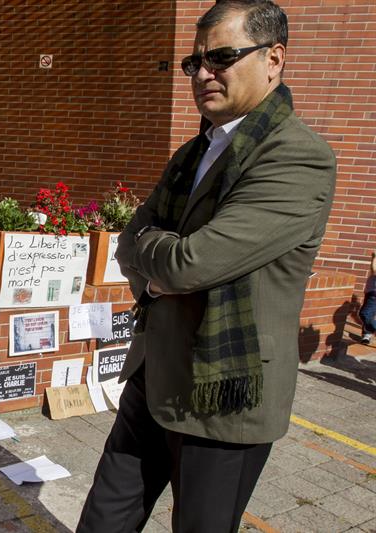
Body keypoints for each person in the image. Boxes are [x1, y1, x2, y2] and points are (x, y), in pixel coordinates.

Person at [78, 1, 336, 532]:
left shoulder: (296, 157)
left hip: (223, 395)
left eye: (221, 57)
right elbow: (130, 243)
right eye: (193, 63)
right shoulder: (192, 153)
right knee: (104, 518)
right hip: (154, 372)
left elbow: (188, 263)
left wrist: (163, 263)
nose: (203, 73)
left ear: (273, 59)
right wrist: (161, 264)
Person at [360, 251, 376, 344]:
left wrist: (374, 257)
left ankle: (367, 334)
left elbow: (374, 270)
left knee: (365, 314)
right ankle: (367, 334)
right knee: (369, 314)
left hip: (374, 294)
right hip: (370, 292)